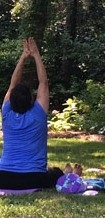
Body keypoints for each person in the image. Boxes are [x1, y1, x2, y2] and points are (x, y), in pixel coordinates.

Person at [0, 37, 64, 189]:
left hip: (3, 178)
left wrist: (23, 57)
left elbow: (12, 84)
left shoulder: (6, 112)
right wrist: (35, 55)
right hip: (33, 179)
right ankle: (70, 174)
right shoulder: (38, 113)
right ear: (31, 100)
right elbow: (43, 83)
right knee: (57, 173)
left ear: (12, 99)